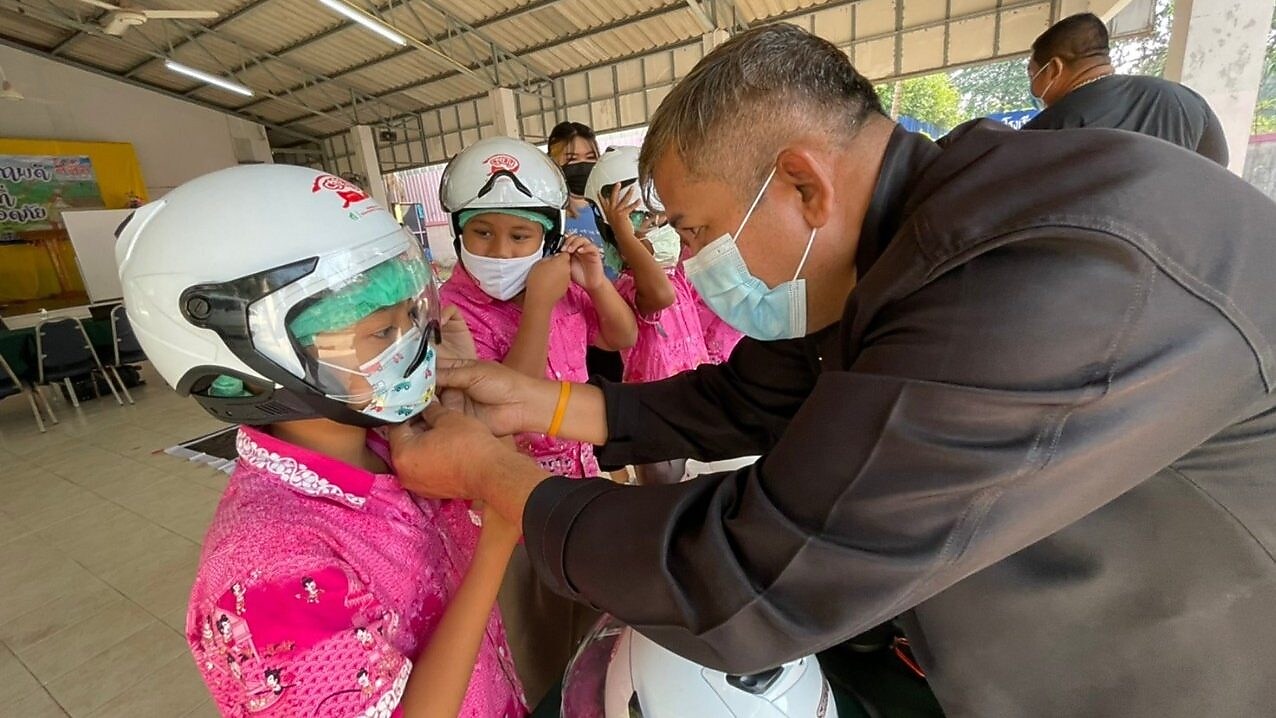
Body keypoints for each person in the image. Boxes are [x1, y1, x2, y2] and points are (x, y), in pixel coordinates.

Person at [390, 22, 1276, 718]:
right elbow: (745, 394)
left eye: (695, 232)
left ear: (804, 186)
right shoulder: (916, 237)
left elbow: (752, 575)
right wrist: (544, 402)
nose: (690, 262)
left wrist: (493, 477)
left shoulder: (1039, 277)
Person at [116, 164, 526, 717]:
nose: (416, 344)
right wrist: (497, 540)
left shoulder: (388, 444)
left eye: (414, 314)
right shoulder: (265, 576)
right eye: (383, 332)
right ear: (246, 353)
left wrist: (456, 399)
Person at [437, 136, 636, 706]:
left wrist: (594, 282)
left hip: (581, 481)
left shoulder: (560, 284)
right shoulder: (452, 310)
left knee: (591, 624)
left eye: (520, 235)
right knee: (536, 641)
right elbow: (503, 411)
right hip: (512, 507)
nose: (500, 252)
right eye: (482, 233)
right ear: (459, 234)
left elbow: (621, 338)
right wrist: (539, 307)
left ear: (547, 236)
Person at [585, 147, 709, 485]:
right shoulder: (628, 288)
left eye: (660, 217)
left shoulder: (679, 274)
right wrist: (626, 235)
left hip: (691, 398)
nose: (657, 227)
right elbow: (660, 296)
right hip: (654, 412)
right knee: (661, 491)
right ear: (615, 234)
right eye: (641, 220)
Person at [1023, 12, 1228, 165]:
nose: (1033, 86)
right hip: (1176, 220)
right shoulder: (1183, 99)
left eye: (1033, 74)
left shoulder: (1044, 130)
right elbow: (1218, 166)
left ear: (1053, 69)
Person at [548, 121, 628, 387]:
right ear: (553, 164)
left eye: (590, 157)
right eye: (571, 159)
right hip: (575, 324)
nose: (581, 166)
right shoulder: (552, 218)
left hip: (614, 316)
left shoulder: (608, 212)